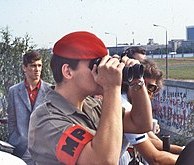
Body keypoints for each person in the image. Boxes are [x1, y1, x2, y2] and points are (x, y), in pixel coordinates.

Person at [28, 31, 153, 165]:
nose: (104, 69)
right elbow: (104, 162)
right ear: (68, 72)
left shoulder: (91, 105)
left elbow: (141, 123)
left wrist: (136, 81)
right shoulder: (47, 121)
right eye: (96, 65)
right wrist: (111, 87)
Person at [120, 59, 180, 165]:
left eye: (151, 87)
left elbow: (153, 140)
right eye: (140, 84)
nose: (145, 90)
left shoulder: (130, 107)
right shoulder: (125, 106)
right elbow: (155, 159)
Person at [7, 51, 51, 164]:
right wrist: (15, 139)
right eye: (33, 65)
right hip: (21, 148)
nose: (37, 69)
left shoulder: (51, 90)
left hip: (45, 149)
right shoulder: (14, 91)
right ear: (24, 68)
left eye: (39, 65)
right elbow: (12, 120)